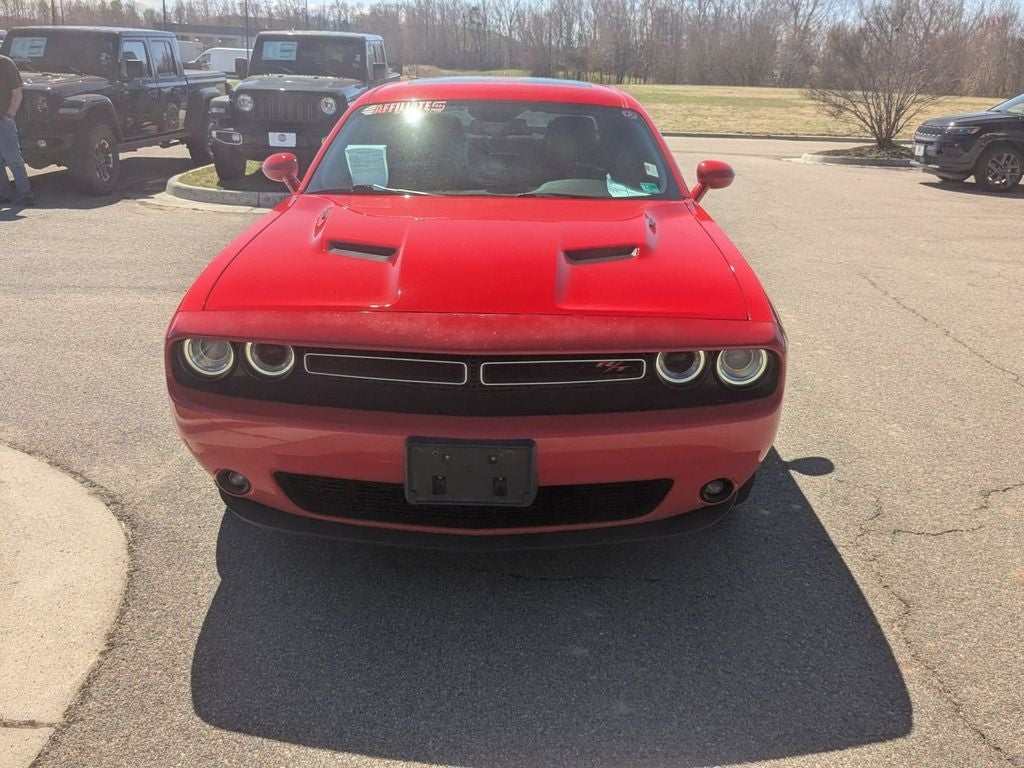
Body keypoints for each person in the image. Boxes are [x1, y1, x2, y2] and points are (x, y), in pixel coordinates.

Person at [0, 52, 33, 206]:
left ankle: (25, 194)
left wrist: (9, 114)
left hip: (3, 121)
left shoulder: (5, 64)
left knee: (13, 159)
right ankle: (3, 194)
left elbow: (17, 93)